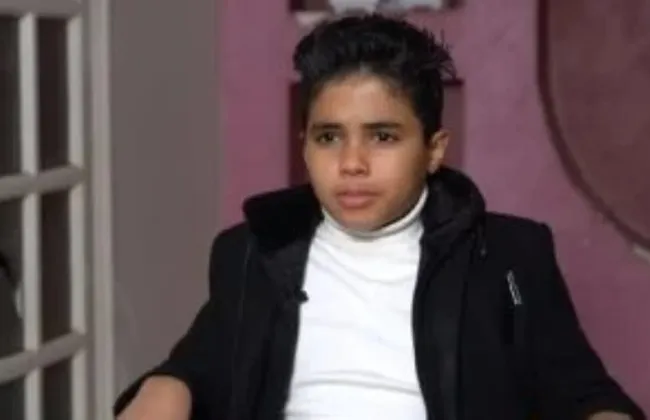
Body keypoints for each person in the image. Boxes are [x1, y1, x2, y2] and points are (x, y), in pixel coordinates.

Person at [115, 13, 645, 420]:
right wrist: (167, 385)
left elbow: (584, 395)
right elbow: (196, 368)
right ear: (305, 146)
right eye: (329, 137)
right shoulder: (255, 249)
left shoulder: (507, 256)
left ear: (434, 150)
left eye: (383, 136)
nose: (352, 163)